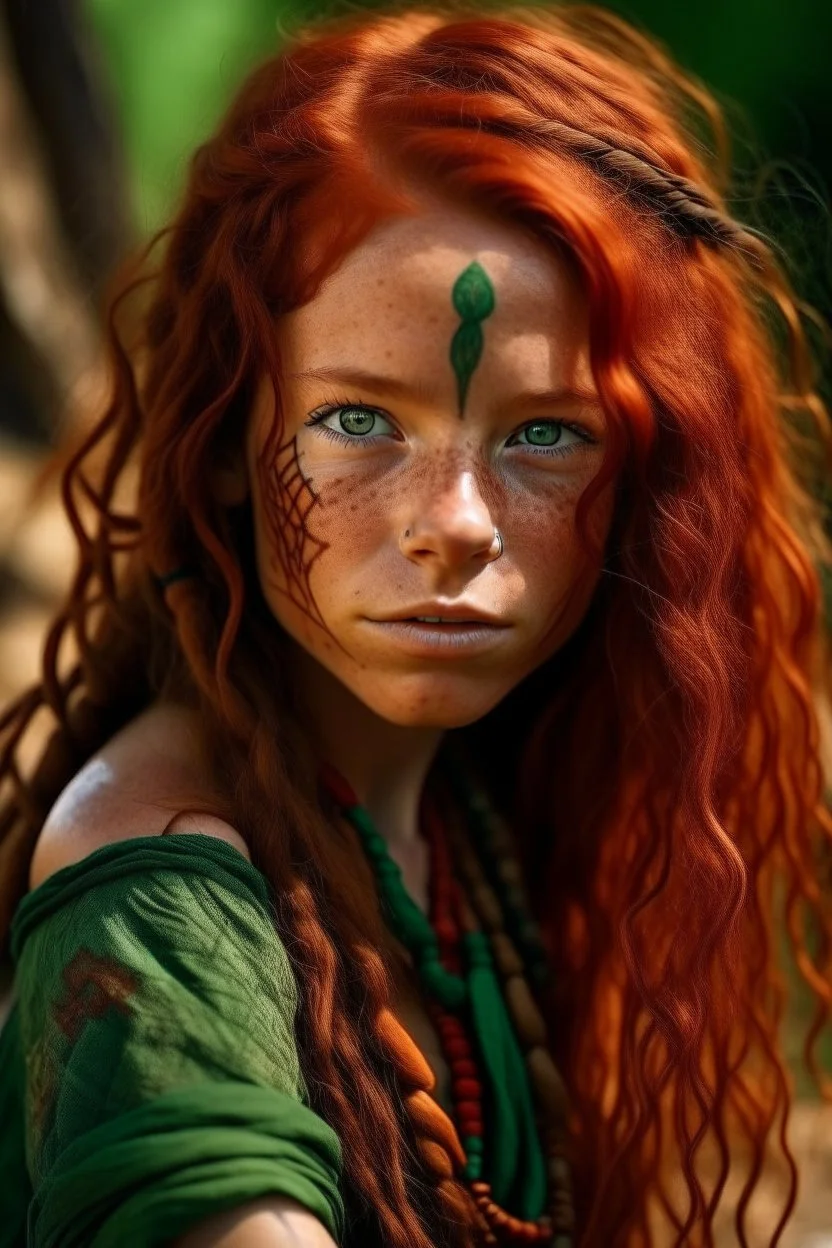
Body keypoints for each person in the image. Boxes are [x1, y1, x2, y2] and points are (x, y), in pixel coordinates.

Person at [1, 3, 830, 1245]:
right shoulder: (158, 887)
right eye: (356, 421)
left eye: (545, 435)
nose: (455, 523)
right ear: (225, 437)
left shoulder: (481, 812)